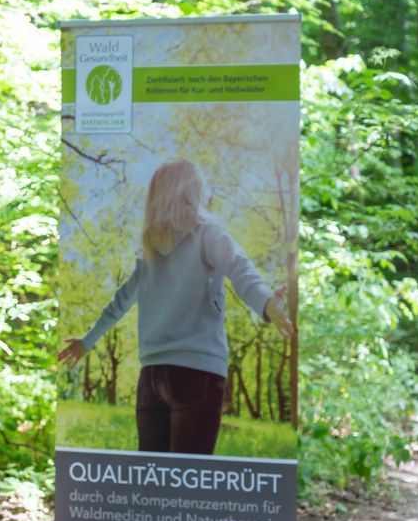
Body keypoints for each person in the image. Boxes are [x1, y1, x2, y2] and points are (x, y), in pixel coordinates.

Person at [58, 159, 294, 455]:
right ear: (192, 191)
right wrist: (267, 302)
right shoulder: (208, 232)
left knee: (153, 476)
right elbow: (240, 268)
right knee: (189, 477)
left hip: (152, 377)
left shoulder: (149, 249)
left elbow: (120, 302)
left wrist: (87, 341)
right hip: (197, 372)